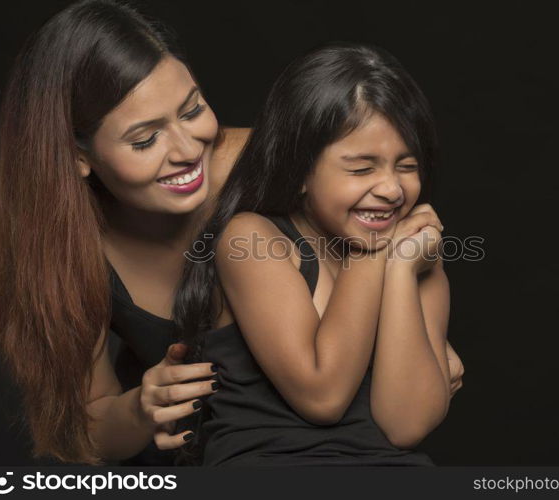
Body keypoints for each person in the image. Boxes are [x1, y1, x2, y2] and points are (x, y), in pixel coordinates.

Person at [172, 42, 464, 466]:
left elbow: (406, 425)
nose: (391, 189)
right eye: (362, 168)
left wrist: (401, 269)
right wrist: (376, 254)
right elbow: (322, 395)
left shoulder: (418, 257)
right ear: (302, 170)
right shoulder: (252, 239)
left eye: (406, 165)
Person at [0, 0, 248, 465]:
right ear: (76, 156)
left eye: (192, 111)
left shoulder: (264, 169)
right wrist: (144, 405)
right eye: (145, 140)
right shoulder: (66, 252)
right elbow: (86, 432)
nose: (188, 150)